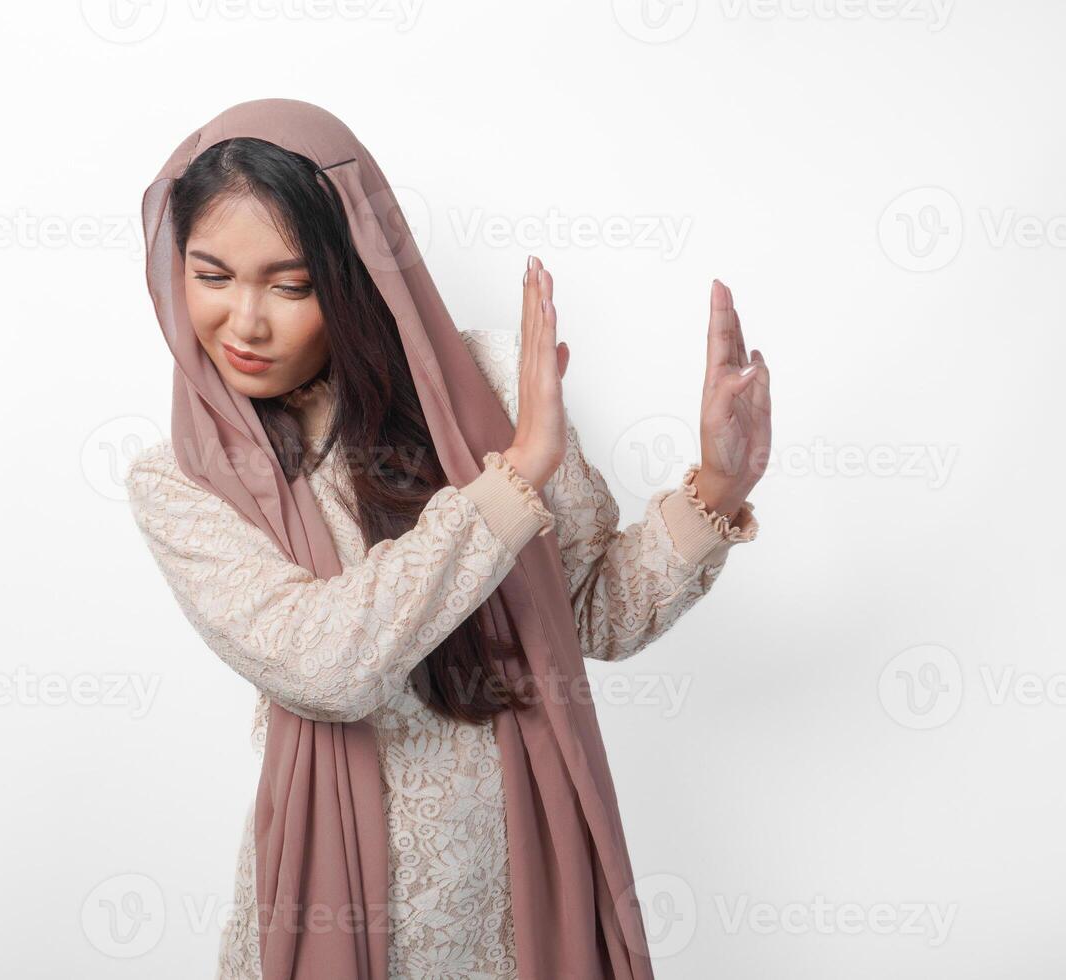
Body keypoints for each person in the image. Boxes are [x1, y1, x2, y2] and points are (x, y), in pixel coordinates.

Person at [124, 99, 769, 980]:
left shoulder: (492, 385)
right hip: (336, 896)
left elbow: (588, 616)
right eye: (211, 276)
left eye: (290, 284)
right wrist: (512, 478)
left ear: (354, 273)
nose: (245, 322)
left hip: (521, 880)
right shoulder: (185, 481)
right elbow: (323, 666)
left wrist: (718, 486)